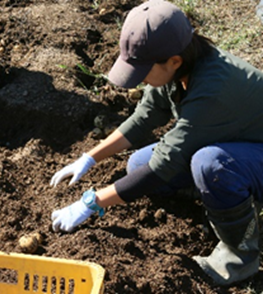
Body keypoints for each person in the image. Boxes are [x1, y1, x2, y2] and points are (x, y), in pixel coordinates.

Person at [50, 0, 263, 286]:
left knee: (211, 164)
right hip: (243, 142)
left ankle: (241, 257)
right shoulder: (180, 68)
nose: (140, 81)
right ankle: (221, 199)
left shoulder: (212, 88)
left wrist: (92, 202)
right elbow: (144, 118)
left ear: (174, 61)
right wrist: (89, 158)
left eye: (144, 72)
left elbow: (163, 164)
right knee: (138, 164)